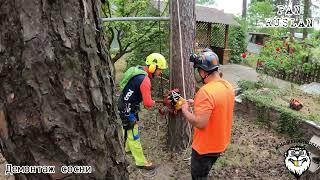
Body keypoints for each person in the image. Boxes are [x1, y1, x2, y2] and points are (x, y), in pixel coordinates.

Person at [181, 49, 235, 179]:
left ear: (203, 72)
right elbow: (218, 106)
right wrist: (198, 104)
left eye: (198, 70)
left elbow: (200, 123)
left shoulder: (206, 92)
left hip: (204, 149)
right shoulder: (227, 86)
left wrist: (185, 110)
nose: (198, 74)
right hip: (220, 144)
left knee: (198, 176)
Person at [117, 53, 167, 170]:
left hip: (123, 103)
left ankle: (126, 148)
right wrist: (162, 101)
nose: (160, 73)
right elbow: (148, 103)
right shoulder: (145, 80)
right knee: (134, 134)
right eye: (160, 70)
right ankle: (141, 162)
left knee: (127, 128)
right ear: (153, 68)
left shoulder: (139, 70)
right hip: (127, 108)